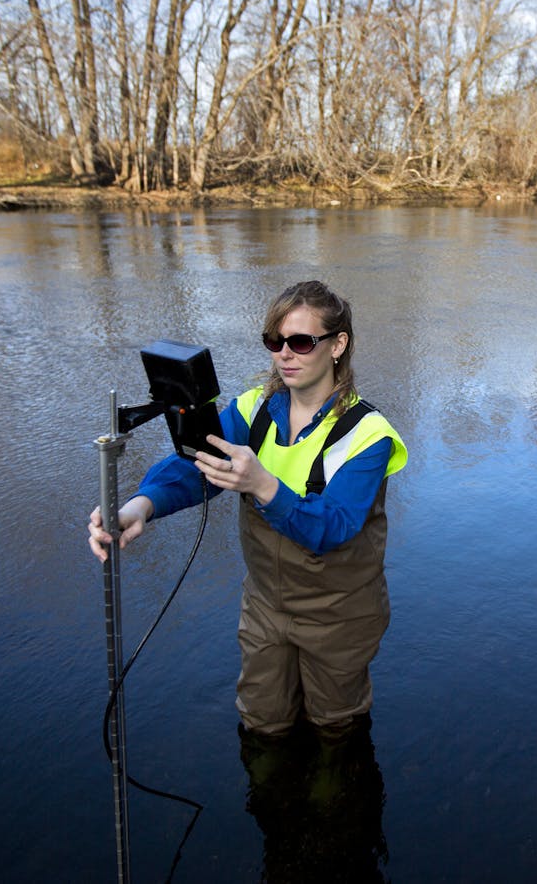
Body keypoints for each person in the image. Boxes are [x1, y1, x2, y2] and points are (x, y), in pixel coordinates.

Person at [88, 280, 408, 738]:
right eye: (274, 341)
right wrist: (141, 506)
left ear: (338, 345)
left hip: (340, 615)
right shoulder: (255, 408)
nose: (284, 354)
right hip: (266, 605)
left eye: (300, 341)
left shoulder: (368, 436)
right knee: (263, 722)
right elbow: (197, 461)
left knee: (335, 727)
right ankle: (269, 801)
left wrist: (263, 486)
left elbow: (333, 527)